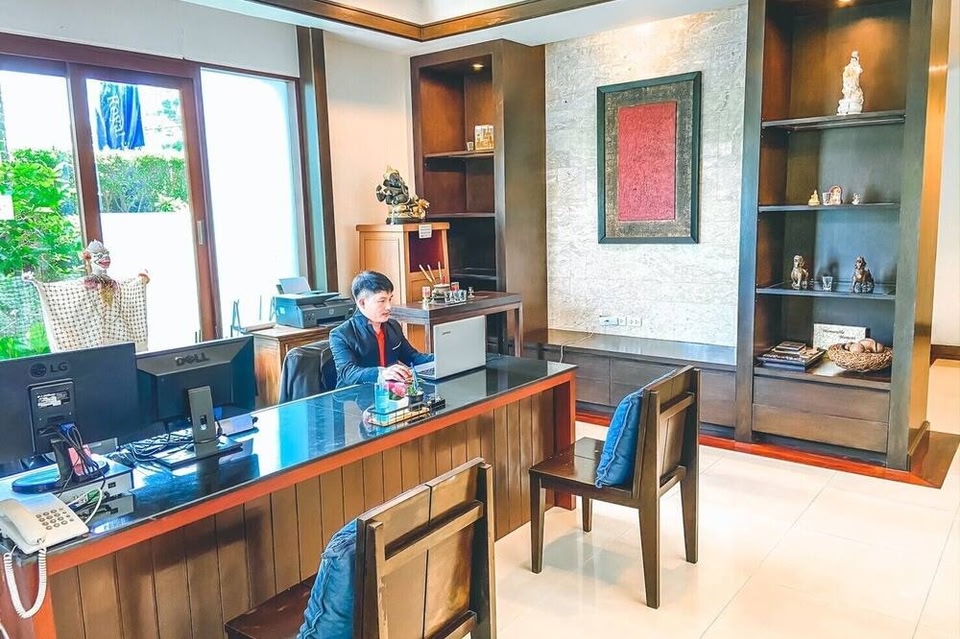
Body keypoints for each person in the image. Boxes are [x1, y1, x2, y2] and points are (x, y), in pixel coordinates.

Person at [330, 271, 433, 388]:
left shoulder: (393, 326)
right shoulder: (341, 334)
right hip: (355, 395)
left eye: (390, 299)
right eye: (382, 301)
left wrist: (442, 358)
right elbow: (348, 373)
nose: (389, 307)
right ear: (362, 303)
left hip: (389, 392)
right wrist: (382, 373)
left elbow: (412, 357)